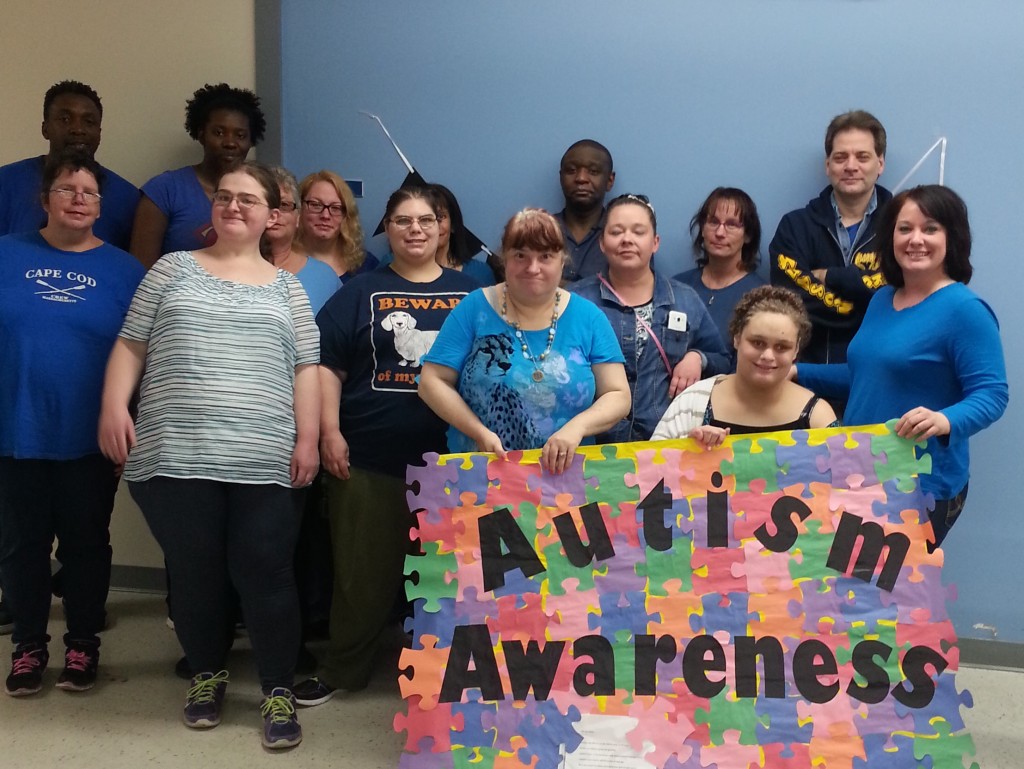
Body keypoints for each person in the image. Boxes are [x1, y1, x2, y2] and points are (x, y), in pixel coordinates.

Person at [99, 161, 319, 749]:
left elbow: (307, 370)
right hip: (175, 453)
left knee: (267, 574)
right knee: (194, 573)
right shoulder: (170, 270)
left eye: (248, 199)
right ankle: (206, 675)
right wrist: (113, 407)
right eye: (224, 196)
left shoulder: (289, 289)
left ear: (271, 214)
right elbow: (131, 345)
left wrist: (308, 438)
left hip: (265, 457)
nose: (234, 206)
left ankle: (277, 688)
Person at [293, 186, 478, 706]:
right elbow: (327, 366)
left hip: (454, 462)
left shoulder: (474, 295)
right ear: (387, 229)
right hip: (369, 457)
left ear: (442, 228)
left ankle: (445, 672)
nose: (415, 229)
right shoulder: (358, 291)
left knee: (451, 576)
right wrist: (330, 433)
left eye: (426, 220)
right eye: (402, 220)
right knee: (360, 575)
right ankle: (344, 667)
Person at [0, 150, 144, 696]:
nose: (79, 199)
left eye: (89, 193)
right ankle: (28, 647)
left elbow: (142, 355)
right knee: (21, 546)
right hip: (16, 432)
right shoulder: (6, 254)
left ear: (100, 207)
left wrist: (131, 424)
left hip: (91, 437)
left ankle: (83, 643)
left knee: (86, 545)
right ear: (45, 200)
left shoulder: (126, 271)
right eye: (66, 189)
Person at [795, 186, 1008, 549]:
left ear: (952, 237)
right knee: (851, 582)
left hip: (920, 485)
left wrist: (944, 420)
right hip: (861, 473)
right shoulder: (882, 299)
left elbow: (993, 394)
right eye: (905, 228)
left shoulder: (965, 310)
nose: (916, 239)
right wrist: (797, 373)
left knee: (890, 584)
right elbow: (865, 376)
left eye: (930, 228)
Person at [418, 207, 631, 469]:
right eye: (520, 256)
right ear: (504, 259)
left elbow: (618, 395)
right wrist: (478, 432)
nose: (533, 268)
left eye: (545, 256)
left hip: (568, 478)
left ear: (562, 261)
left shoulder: (589, 317)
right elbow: (431, 382)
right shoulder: (473, 308)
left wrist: (578, 428)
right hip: (480, 475)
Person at [571, 194, 729, 443]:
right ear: (602, 243)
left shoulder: (684, 299)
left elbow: (723, 361)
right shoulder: (576, 301)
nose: (627, 239)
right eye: (616, 232)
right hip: (591, 445)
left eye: (638, 232)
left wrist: (698, 358)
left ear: (655, 242)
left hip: (663, 444)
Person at [769, 110, 891, 365]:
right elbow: (791, 303)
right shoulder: (794, 227)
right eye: (840, 157)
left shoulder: (902, 229)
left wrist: (831, 277)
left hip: (880, 376)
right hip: (804, 376)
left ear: (880, 164)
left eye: (862, 157)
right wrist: (862, 304)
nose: (850, 166)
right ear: (828, 166)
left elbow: (902, 293)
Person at [652, 286, 838, 443]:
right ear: (737, 338)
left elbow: (843, 473)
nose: (768, 356)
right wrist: (687, 450)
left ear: (796, 350)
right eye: (758, 343)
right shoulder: (691, 403)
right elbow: (650, 469)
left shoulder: (818, 417)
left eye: (782, 347)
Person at [130, 83, 266, 269]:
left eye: (240, 135)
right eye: (219, 133)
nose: (230, 143)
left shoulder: (263, 193)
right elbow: (140, 269)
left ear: (251, 140)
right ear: (201, 134)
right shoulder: (165, 190)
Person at [0, 80, 139, 251]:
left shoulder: (128, 197)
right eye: (65, 119)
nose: (78, 129)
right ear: (45, 129)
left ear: (99, 133)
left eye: (89, 122)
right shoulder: (6, 182)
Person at [676, 187, 766, 356]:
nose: (719, 233)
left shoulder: (761, 297)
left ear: (748, 235)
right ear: (702, 229)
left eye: (731, 225)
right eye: (713, 222)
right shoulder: (677, 287)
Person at [265, 167, 340, 314]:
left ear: (298, 217)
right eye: (268, 204)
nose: (276, 213)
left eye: (284, 205)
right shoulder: (226, 269)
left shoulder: (325, 277)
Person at [296, 170, 378, 285]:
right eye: (316, 205)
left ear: (346, 215)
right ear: (299, 208)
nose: (325, 215)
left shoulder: (367, 266)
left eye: (335, 208)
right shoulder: (279, 260)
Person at [556, 140, 615, 282]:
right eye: (571, 170)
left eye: (593, 171)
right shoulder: (538, 231)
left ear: (609, 180)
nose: (581, 178)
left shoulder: (626, 238)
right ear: (561, 177)